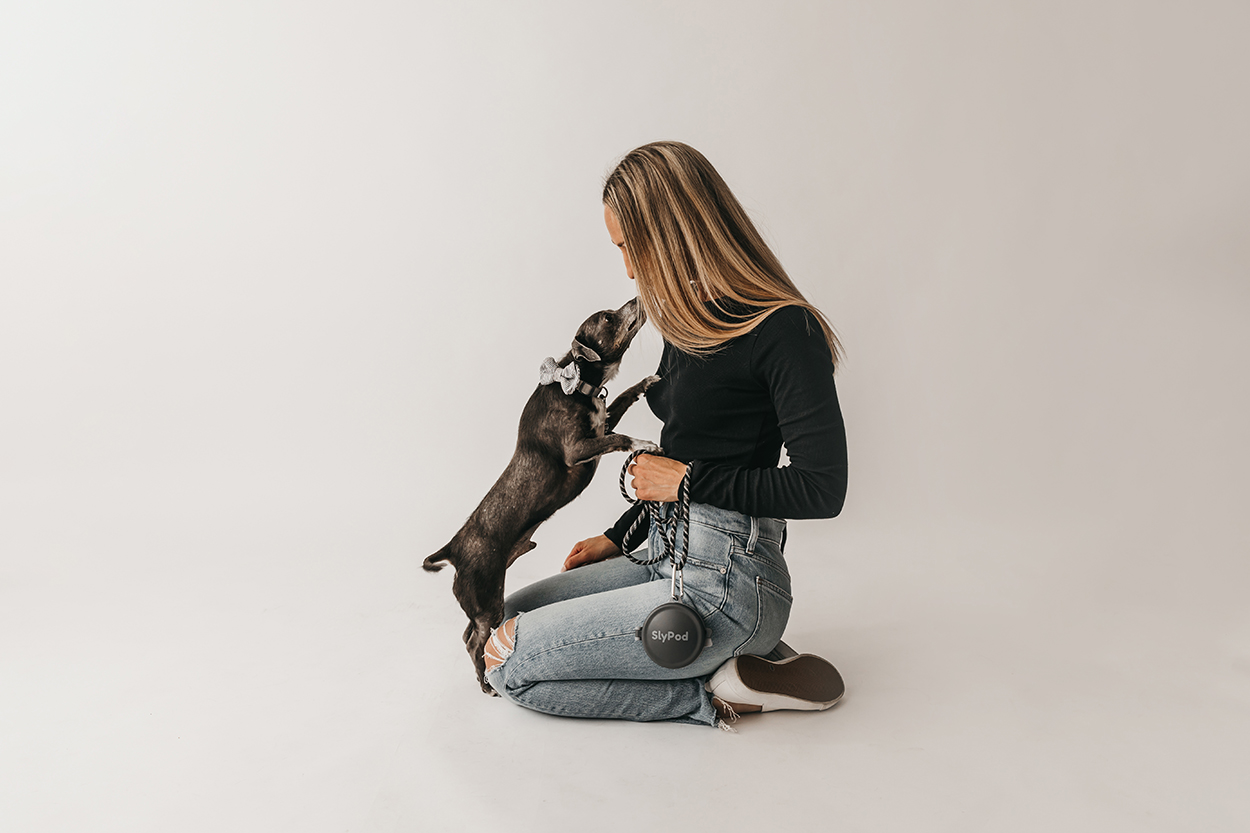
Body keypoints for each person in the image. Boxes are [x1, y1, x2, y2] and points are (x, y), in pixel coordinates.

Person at [481, 141, 848, 729]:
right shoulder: (687, 323)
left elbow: (822, 488)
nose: (626, 268)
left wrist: (686, 481)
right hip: (661, 553)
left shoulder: (784, 329)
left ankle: (718, 693)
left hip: (728, 582)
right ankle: (732, 665)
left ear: (671, 233)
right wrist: (619, 535)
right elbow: (688, 449)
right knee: (504, 620)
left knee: (508, 663)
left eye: (630, 246)